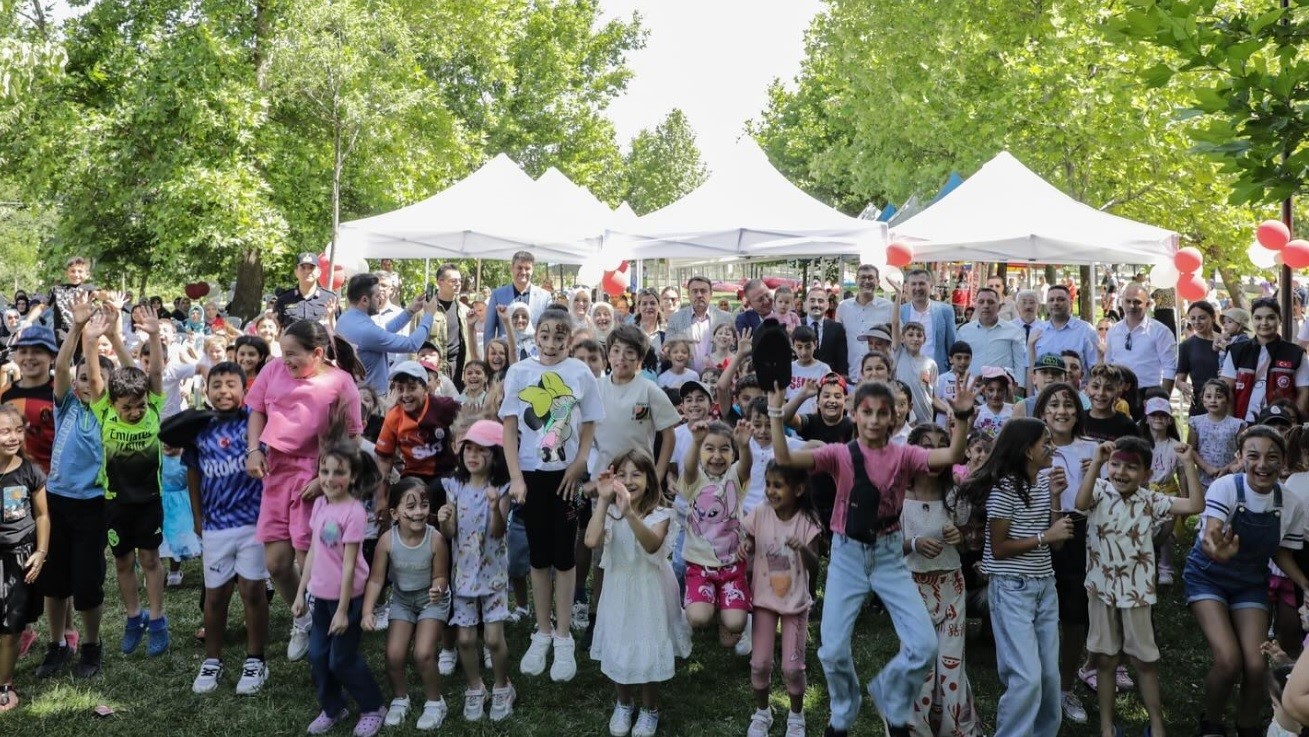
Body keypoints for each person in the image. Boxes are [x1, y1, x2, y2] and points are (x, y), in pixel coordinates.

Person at [768, 379, 975, 737]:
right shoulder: (839, 454)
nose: (875, 420)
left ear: (895, 418)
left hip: (889, 555)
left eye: (883, 413)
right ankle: (844, 710)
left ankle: (890, 693)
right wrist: (775, 413)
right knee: (831, 651)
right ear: (854, 414)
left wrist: (961, 417)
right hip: (848, 557)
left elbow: (952, 456)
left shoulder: (904, 455)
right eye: (867, 412)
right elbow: (785, 457)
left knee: (924, 645)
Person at [245, 319, 363, 662]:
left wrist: (327, 480)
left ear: (318, 353)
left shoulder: (341, 384)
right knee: (277, 563)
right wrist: (254, 450)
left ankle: (331, 629)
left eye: (293, 354)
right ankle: (303, 619)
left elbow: (353, 439)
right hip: (277, 472)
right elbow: (257, 410)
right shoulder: (272, 371)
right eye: (283, 353)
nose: (286, 361)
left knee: (309, 557)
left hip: (317, 475)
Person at [1183, 426, 1309, 737]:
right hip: (1207, 578)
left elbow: (1281, 553)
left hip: (1251, 583)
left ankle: (1248, 726)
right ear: (1240, 458)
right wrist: (1219, 551)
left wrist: (1307, 585)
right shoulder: (1226, 487)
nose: (1262, 464)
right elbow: (1212, 536)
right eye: (1253, 456)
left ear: (1282, 463)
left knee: (1255, 664)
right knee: (1228, 660)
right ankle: (1211, 722)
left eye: (1272, 457)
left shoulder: (1290, 503)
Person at [500, 307, 602, 683]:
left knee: (564, 556)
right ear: (536, 334)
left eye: (560, 337)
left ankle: (563, 637)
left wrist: (579, 463)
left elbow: (590, 420)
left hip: (567, 478)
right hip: (531, 476)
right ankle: (542, 630)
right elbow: (510, 428)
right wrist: (516, 478)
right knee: (538, 557)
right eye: (545, 335)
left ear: (569, 338)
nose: (551, 344)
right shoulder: (520, 372)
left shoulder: (579, 372)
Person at [960, 418, 1073, 737]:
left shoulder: (1045, 481)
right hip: (1012, 590)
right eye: (1045, 442)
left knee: (1049, 676)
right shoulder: (1003, 490)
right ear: (1027, 450)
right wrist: (1044, 537)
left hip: (1043, 587)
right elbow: (997, 549)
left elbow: (1059, 540)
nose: (1052, 447)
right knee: (1025, 678)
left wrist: (1054, 499)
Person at [84, 309, 171, 658]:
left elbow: (155, 372)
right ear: (112, 404)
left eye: (138, 406)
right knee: (123, 562)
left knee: (150, 559)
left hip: (149, 499)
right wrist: (90, 341)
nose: (134, 412)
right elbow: (93, 379)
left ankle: (158, 620)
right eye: (127, 408)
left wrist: (151, 336)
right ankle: (134, 618)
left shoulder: (152, 406)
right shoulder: (103, 410)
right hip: (116, 501)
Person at [586, 450, 691, 737]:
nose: (629, 480)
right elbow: (591, 539)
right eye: (622, 474)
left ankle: (650, 708)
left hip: (649, 590)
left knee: (648, 644)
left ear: (649, 479)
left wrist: (630, 512)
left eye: (636, 474)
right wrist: (605, 501)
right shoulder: (608, 510)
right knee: (620, 643)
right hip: (618, 589)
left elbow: (652, 546)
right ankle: (623, 703)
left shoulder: (662, 513)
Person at [32, 295, 109, 679]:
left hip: (92, 505)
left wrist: (94, 344)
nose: (84, 383)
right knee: (54, 581)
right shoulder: (66, 406)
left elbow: (97, 379)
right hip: (58, 501)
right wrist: (76, 328)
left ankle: (92, 646)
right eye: (80, 379)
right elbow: (61, 366)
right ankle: (56, 644)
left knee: (87, 582)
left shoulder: (107, 414)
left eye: (91, 380)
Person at [185, 362, 271, 696]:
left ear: (244, 388)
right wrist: (197, 516)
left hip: (252, 523)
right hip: (216, 526)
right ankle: (212, 660)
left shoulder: (255, 421)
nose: (223, 390)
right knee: (216, 594)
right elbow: (194, 473)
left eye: (230, 384)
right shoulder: (199, 427)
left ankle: (255, 659)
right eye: (216, 384)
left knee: (252, 591)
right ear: (206, 390)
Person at [294, 441, 387, 737]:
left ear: (354, 476)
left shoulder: (355, 512)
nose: (329, 479)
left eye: (338, 472)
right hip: (320, 597)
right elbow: (312, 552)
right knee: (318, 656)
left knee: (341, 659)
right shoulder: (320, 504)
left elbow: (349, 565)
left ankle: (373, 707)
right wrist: (300, 593)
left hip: (348, 599)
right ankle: (334, 707)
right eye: (324, 471)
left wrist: (345, 610)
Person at [899, 424, 982, 737]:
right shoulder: (897, 494)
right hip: (911, 587)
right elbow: (886, 546)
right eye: (925, 445)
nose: (933, 453)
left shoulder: (955, 493)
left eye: (941, 446)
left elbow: (967, 539)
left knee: (950, 662)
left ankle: (956, 729)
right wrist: (915, 543)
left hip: (951, 586)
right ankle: (914, 729)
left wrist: (958, 535)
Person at [437, 419, 515, 723]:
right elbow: (450, 530)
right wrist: (444, 518)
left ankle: (502, 686)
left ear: (494, 455)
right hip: (463, 577)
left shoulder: (501, 489)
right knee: (466, 640)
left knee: (494, 639)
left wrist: (495, 507)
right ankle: (474, 687)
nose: (473, 455)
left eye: (481, 450)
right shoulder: (454, 486)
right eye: (468, 448)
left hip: (493, 576)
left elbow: (498, 533)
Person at [739, 460, 821, 737]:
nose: (771, 491)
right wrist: (746, 546)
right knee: (759, 663)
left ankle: (796, 716)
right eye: (769, 485)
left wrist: (803, 550)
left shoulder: (807, 522)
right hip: (763, 599)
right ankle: (762, 712)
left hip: (795, 603)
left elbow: (815, 566)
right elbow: (748, 539)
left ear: (798, 489)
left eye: (778, 485)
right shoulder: (761, 513)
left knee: (792, 667)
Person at [362, 478, 451, 730]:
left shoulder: (435, 540)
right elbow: (376, 580)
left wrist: (439, 588)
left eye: (423, 505)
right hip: (402, 600)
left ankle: (435, 702)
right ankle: (400, 698)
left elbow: (442, 575)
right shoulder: (386, 542)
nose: (418, 512)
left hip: (431, 601)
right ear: (394, 513)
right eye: (410, 507)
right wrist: (368, 610)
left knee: (423, 653)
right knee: (393, 655)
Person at [0, 403, 49, 713]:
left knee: (10, 626)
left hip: (19, 558)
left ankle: (5, 684)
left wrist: (41, 552)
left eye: (18, 430)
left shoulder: (30, 471)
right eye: (5, 431)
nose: (12, 437)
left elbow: (43, 515)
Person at [336, 273, 440, 394]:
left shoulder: (345, 319)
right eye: (377, 296)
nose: (380, 299)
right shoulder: (366, 330)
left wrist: (409, 311)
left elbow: (383, 331)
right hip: (371, 401)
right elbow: (412, 344)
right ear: (364, 300)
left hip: (356, 393)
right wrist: (429, 316)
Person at [1222, 297, 1309, 423]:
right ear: (1252, 320)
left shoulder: (1296, 353)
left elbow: (1304, 392)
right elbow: (1226, 389)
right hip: (1242, 424)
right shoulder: (1236, 351)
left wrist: (1292, 423)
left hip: (1281, 426)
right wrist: (1231, 425)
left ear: (1280, 319)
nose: (1264, 323)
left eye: (1271, 317)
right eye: (1258, 318)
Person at [1103, 283, 1177, 397]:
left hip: (1148, 395)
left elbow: (1170, 368)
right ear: (1122, 302)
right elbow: (1108, 364)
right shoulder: (1113, 331)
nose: (1132, 306)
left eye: (1137, 302)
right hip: (1117, 393)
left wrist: (1163, 399)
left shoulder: (1160, 332)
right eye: (1127, 301)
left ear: (1147, 304)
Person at [836, 264, 895, 382]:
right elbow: (838, 341)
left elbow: (897, 341)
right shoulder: (843, 307)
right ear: (856, 280)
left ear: (878, 282)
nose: (866, 281)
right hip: (850, 377)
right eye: (863, 277)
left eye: (870, 278)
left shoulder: (889, 307)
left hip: (879, 378)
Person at [23, 256, 101, 342]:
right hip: (62, 335)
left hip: (83, 333)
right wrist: (27, 322)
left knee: (83, 354)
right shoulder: (57, 289)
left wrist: (107, 295)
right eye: (72, 271)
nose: (76, 274)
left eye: (80, 271)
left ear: (87, 275)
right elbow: (41, 307)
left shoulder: (88, 288)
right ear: (66, 273)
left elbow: (100, 294)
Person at [956, 287, 1025, 381]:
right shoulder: (964, 331)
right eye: (981, 302)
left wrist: (1019, 387)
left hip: (1001, 390)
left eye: (990, 302)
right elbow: (957, 361)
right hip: (970, 388)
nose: (986, 306)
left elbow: (1020, 363)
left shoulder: (1014, 331)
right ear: (975, 305)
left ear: (999, 307)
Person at [1030, 284, 1097, 381]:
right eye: (1051, 300)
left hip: (1075, 393)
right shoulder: (1037, 331)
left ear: (1070, 302)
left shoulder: (1086, 330)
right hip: (1044, 393)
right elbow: (1031, 369)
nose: (1055, 303)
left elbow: (1093, 369)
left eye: (1061, 299)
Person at [483, 251, 551, 344]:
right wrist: (488, 356)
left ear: (532, 270)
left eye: (527, 268)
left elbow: (549, 329)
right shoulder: (497, 295)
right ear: (512, 268)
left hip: (535, 355)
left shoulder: (545, 297)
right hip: (506, 354)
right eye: (519, 268)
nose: (523, 272)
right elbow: (489, 331)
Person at [667, 276, 731, 374]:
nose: (699, 295)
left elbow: (733, 348)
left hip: (718, 378)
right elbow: (667, 346)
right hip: (686, 379)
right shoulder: (675, 319)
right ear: (688, 294)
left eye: (703, 291)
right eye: (695, 291)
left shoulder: (725, 318)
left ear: (711, 294)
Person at [900, 268, 957, 370]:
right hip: (908, 371)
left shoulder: (945, 311)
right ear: (907, 288)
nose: (917, 288)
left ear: (930, 287)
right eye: (913, 284)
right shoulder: (900, 312)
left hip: (937, 371)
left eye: (922, 284)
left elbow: (951, 344)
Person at [1176, 301, 1222, 416]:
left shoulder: (1227, 342)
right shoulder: (1186, 346)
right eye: (1193, 318)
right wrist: (1182, 385)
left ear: (1213, 318)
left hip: (1225, 402)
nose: (1197, 322)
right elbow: (1179, 379)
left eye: (1201, 318)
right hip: (1201, 403)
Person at [274, 252, 337, 328]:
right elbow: (276, 330)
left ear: (319, 272)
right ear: (296, 272)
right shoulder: (283, 300)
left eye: (311, 267)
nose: (307, 271)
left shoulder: (330, 299)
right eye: (303, 267)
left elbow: (338, 331)